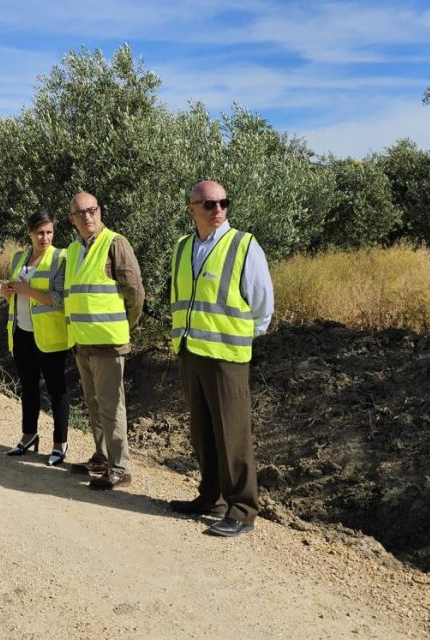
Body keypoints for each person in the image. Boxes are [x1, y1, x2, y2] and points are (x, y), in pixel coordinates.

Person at [167, 180, 274, 538]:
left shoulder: (244, 245)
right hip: (191, 350)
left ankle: (242, 509)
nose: (218, 210)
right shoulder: (183, 247)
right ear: (191, 208)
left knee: (233, 434)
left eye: (223, 202)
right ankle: (209, 497)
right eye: (209, 204)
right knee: (202, 431)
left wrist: (241, 335)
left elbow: (262, 304)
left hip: (226, 355)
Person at [63, 192, 144, 489]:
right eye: (80, 213)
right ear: (72, 219)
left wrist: (125, 325)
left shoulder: (115, 244)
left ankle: (121, 466)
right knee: (94, 404)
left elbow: (134, 292)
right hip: (82, 341)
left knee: (111, 406)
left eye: (92, 210)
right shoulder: (74, 250)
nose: (87, 217)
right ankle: (102, 456)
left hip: (108, 342)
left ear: (100, 211)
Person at [1, 210, 71, 465]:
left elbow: (60, 299)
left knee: (56, 390)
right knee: (28, 387)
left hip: (50, 336)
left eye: (49, 232)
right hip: (21, 332)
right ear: (30, 233)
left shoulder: (60, 258)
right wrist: (9, 292)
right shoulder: (19, 257)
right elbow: (15, 295)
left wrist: (26, 290)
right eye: (40, 233)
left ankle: (59, 443)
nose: (45, 238)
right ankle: (29, 435)